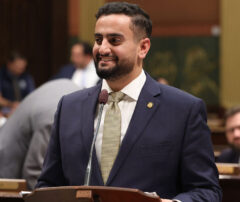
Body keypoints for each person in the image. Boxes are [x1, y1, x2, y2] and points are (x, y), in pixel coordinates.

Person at [36, 2, 221, 202]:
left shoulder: (183, 110)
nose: (102, 48)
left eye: (114, 40)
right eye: (98, 39)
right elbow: (48, 185)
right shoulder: (69, 107)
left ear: (143, 47)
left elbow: (207, 191)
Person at [0, 79, 80, 189]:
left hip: (10, 165)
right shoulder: (54, 115)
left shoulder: (70, 89)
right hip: (2, 171)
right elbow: (35, 171)